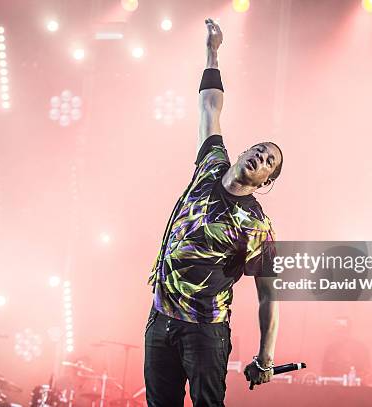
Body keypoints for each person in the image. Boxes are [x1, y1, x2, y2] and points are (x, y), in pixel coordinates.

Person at [144, 18, 284, 407]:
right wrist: (213, 50)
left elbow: (269, 294)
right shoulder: (211, 163)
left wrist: (266, 357)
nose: (261, 154)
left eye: (269, 159)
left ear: (266, 179)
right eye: (259, 147)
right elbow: (209, 105)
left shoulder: (256, 225)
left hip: (205, 332)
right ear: (242, 153)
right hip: (161, 318)